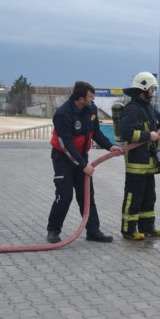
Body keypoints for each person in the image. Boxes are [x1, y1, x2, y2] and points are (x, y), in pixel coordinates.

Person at [46, 81, 122, 243]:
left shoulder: (91, 109)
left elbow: (95, 133)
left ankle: (93, 231)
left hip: (81, 156)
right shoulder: (63, 115)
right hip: (63, 158)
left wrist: (110, 146)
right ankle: (53, 230)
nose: (93, 99)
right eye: (90, 96)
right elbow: (66, 146)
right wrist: (83, 166)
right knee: (64, 196)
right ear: (80, 99)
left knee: (87, 195)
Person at [120, 71, 160, 241]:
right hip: (136, 162)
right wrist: (148, 136)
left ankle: (147, 227)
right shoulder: (132, 109)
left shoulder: (148, 107)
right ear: (144, 88)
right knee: (134, 197)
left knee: (149, 197)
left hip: (148, 163)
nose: (153, 92)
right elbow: (126, 133)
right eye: (152, 88)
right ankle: (128, 229)